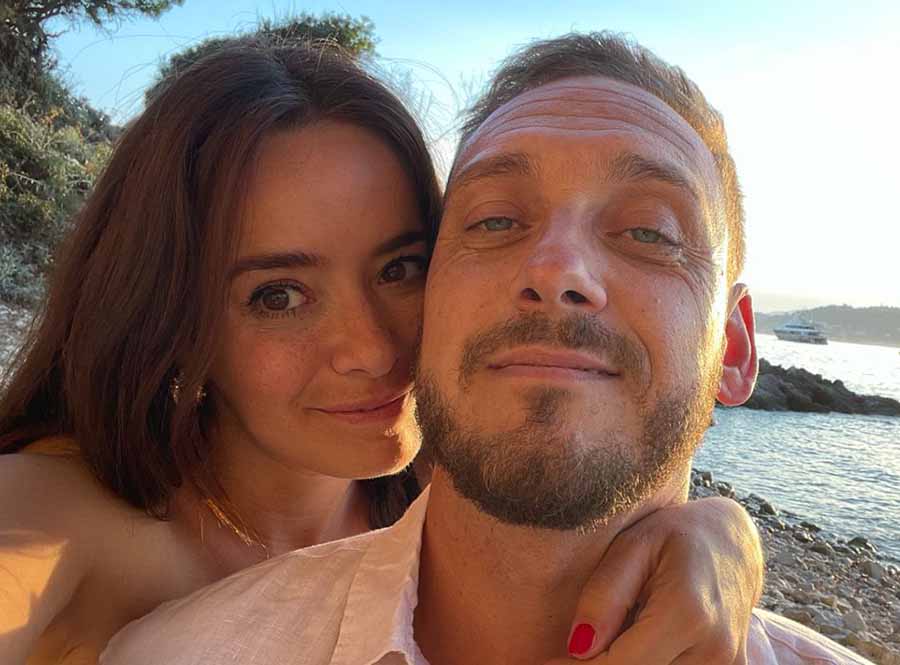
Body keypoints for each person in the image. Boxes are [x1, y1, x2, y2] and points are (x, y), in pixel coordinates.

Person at [98, 32, 876, 665]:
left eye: (649, 231)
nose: (556, 268)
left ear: (734, 348)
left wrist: (732, 532)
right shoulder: (161, 639)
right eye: (496, 221)